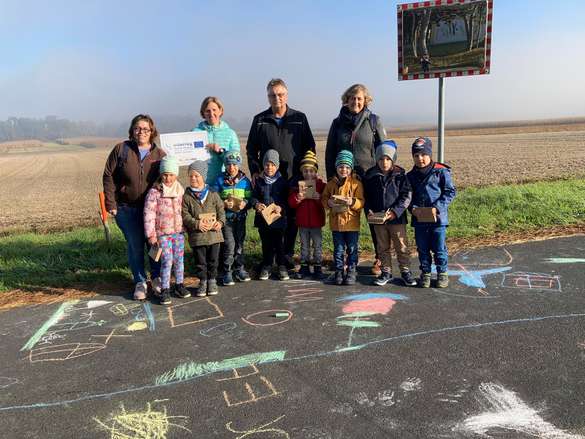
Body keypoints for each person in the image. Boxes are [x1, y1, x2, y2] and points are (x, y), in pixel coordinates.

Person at [246, 78, 316, 269]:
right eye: (272, 95)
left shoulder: (299, 118)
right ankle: (270, 257)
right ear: (268, 97)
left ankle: (286, 254)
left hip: (294, 177)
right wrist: (254, 171)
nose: (276, 98)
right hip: (269, 180)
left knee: (291, 217)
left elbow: (309, 146)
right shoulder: (259, 120)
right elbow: (251, 149)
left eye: (280, 94)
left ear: (286, 95)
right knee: (269, 218)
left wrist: (308, 173)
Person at [324, 84, 387, 276]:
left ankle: (380, 258)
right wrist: (331, 180)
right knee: (343, 217)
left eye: (360, 98)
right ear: (346, 100)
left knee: (375, 220)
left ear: (366, 100)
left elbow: (383, 150)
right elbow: (330, 153)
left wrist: (383, 176)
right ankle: (344, 259)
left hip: (370, 179)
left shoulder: (374, 121)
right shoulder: (337, 123)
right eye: (352, 98)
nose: (356, 102)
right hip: (344, 181)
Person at [102, 114, 166, 300]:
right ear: (132, 130)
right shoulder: (121, 149)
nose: (141, 132)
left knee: (154, 244)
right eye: (137, 128)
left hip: (152, 211)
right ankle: (140, 281)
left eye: (146, 129)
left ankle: (156, 278)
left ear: (152, 131)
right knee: (135, 245)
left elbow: (167, 179)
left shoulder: (160, 155)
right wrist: (111, 204)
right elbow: (108, 176)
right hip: (126, 208)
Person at [364, 141, 416, 287]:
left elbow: (406, 195)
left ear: (393, 159)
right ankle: (386, 272)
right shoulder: (370, 176)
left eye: (388, 159)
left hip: (397, 219)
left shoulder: (400, 175)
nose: (384, 162)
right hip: (378, 220)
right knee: (382, 247)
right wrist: (368, 211)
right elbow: (365, 197)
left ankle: (405, 271)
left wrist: (395, 212)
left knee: (401, 246)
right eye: (381, 159)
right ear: (376, 159)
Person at [406, 137, 456, 288]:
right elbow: (407, 197)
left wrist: (437, 207)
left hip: (438, 220)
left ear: (430, 154)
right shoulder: (410, 176)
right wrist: (412, 208)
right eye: (416, 156)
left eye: (423, 154)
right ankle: (426, 273)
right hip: (420, 220)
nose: (420, 159)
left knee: (439, 248)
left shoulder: (440, 171)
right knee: (422, 249)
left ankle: (442, 274)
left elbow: (450, 192)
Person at [143, 156, 188, 305]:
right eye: (165, 174)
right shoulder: (155, 192)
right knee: (167, 261)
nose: (168, 178)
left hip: (179, 232)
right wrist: (151, 235)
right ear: (161, 174)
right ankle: (165, 288)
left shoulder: (180, 190)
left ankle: (180, 285)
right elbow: (148, 214)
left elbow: (185, 210)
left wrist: (187, 227)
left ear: (176, 175)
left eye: (171, 174)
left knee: (179, 260)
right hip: (162, 234)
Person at [182, 160, 226, 297]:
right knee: (200, 262)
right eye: (191, 176)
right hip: (197, 236)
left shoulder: (213, 194)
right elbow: (185, 215)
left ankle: (212, 280)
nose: (193, 178)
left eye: (197, 176)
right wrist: (196, 224)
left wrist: (221, 222)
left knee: (213, 260)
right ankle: (203, 281)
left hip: (214, 235)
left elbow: (221, 210)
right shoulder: (186, 196)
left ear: (204, 177)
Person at [322, 151, 364, 286]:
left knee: (352, 248)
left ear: (351, 168)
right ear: (336, 167)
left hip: (351, 223)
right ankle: (339, 271)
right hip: (336, 224)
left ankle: (351, 270)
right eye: (341, 166)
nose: (343, 169)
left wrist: (351, 201)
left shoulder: (356, 184)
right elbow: (324, 198)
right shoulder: (330, 184)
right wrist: (329, 203)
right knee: (338, 249)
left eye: (347, 167)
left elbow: (361, 202)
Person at [211, 151, 253, 285]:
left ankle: (239, 268)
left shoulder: (245, 181)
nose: (232, 167)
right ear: (225, 165)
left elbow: (250, 198)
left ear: (238, 165)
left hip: (240, 218)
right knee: (229, 245)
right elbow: (213, 198)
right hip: (227, 220)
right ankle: (227, 271)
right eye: (228, 164)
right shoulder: (219, 180)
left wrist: (245, 203)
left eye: (235, 164)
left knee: (240, 245)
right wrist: (223, 204)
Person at [251, 149, 289, 281]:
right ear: (263, 165)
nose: (269, 167)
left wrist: (281, 207)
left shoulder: (282, 182)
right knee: (266, 244)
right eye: (267, 164)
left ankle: (281, 266)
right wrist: (256, 205)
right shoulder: (259, 181)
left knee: (279, 244)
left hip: (278, 220)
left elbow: (286, 200)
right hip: (263, 220)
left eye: (273, 165)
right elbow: (254, 197)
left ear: (277, 166)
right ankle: (267, 266)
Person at [288, 150, 326, 278]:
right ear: (302, 172)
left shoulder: (321, 186)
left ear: (316, 172)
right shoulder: (297, 186)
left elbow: (326, 203)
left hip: (316, 223)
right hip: (302, 223)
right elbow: (291, 203)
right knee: (304, 246)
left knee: (317, 245)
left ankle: (317, 268)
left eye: (311, 171)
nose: (308, 173)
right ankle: (304, 267)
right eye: (305, 171)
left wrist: (319, 198)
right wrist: (298, 198)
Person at [193, 96, 240, 185]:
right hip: (200, 183)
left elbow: (236, 159)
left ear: (220, 111)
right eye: (207, 111)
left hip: (223, 183)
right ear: (203, 113)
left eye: (214, 110)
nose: (211, 113)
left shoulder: (230, 133)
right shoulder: (195, 133)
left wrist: (220, 151)